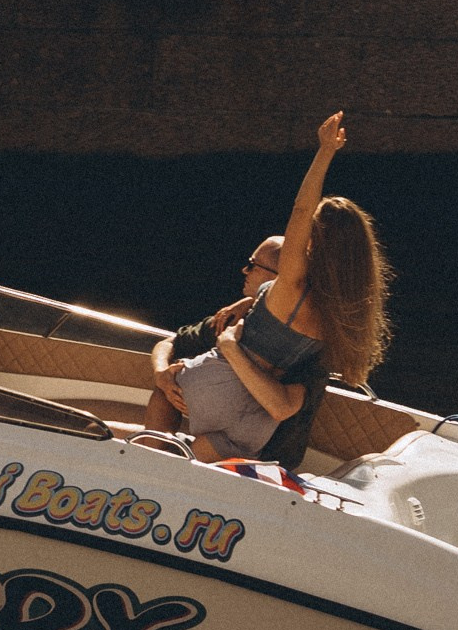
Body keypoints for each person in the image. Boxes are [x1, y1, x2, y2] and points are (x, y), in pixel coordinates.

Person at [142, 112, 391, 463]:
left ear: (315, 240)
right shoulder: (343, 316)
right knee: (187, 464)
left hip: (221, 386)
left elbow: (301, 209)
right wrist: (245, 304)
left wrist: (325, 152)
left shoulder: (291, 286)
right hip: (255, 425)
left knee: (156, 415)